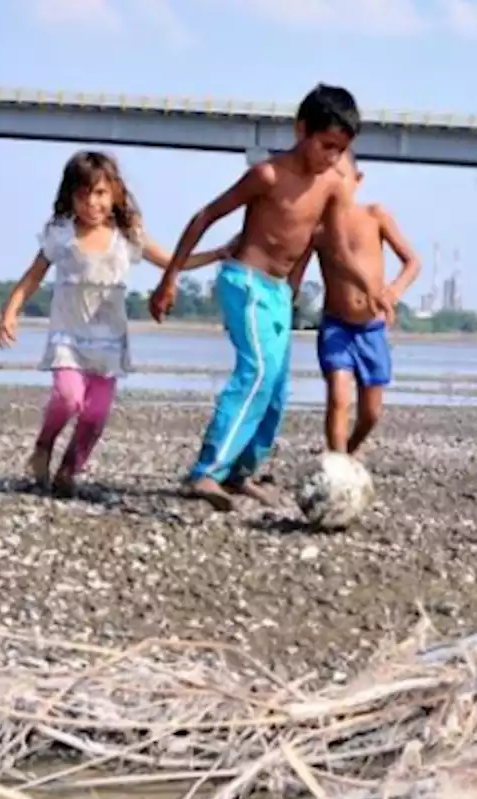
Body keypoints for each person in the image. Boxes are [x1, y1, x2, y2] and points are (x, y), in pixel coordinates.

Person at [149, 83, 390, 512]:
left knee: (277, 389)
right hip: (244, 281)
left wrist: (370, 287)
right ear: (302, 130)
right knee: (256, 371)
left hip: (278, 294)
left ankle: (242, 472)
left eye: (340, 150)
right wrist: (169, 279)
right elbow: (205, 216)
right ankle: (206, 472)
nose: (331, 158)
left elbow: (336, 248)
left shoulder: (331, 186)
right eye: (325, 146)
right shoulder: (269, 175)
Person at [0, 150, 228, 497]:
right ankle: (43, 446)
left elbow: (171, 261)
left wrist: (219, 252)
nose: (92, 203)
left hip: (108, 341)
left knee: (95, 415)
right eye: (83, 194)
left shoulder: (127, 235)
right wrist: (10, 312)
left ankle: (68, 471)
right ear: (70, 196)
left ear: (115, 193)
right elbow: (32, 277)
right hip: (68, 336)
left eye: (100, 193)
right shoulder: (61, 234)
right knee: (68, 398)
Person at [292, 150, 420, 456]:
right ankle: (337, 462)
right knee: (338, 398)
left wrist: (392, 292)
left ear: (357, 180)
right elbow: (295, 275)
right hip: (336, 325)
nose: (333, 184)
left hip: (372, 328)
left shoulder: (375, 216)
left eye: (341, 177)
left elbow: (412, 261)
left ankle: (351, 449)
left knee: (370, 413)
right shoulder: (318, 229)